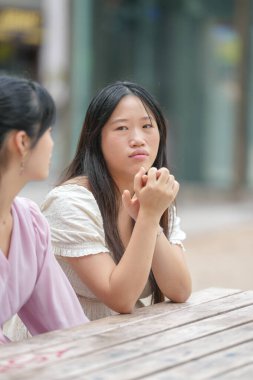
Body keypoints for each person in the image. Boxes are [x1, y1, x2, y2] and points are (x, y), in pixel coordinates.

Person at [41, 81, 192, 321]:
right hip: (65, 342)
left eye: (147, 126)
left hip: (125, 341)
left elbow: (179, 290)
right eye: (122, 128)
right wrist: (149, 217)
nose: (138, 139)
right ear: (95, 138)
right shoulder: (71, 202)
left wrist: (150, 217)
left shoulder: (154, 195)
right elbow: (120, 298)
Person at [0, 75, 88, 344]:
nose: (52, 143)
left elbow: (66, 327)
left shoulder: (30, 224)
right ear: (23, 142)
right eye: (49, 131)